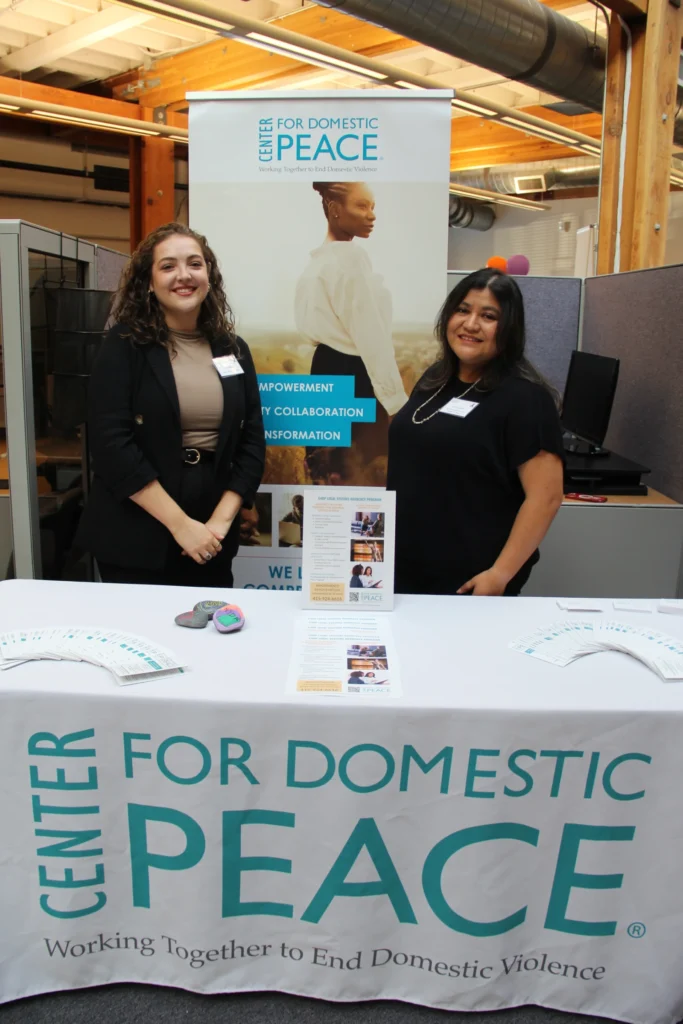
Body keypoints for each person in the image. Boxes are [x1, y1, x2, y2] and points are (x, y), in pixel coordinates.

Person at [76, 222, 265, 587]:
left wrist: (219, 524)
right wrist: (181, 527)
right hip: (136, 532)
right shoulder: (123, 345)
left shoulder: (233, 349)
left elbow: (252, 441)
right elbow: (112, 445)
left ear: (209, 274)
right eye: (168, 266)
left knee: (209, 636)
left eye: (195, 264)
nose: (184, 275)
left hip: (212, 530)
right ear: (148, 281)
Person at [387, 268, 564, 597]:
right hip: (407, 567)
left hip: (469, 579)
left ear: (509, 327)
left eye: (489, 316)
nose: (471, 324)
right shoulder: (435, 379)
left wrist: (500, 574)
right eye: (463, 310)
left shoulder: (526, 399)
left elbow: (546, 497)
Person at [295, 181, 408, 483]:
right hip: (355, 374)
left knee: (324, 471)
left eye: (373, 207)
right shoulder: (349, 259)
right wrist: (396, 402)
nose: (371, 215)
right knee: (360, 477)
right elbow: (371, 337)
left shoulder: (317, 262)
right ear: (334, 210)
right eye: (361, 205)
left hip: (325, 370)